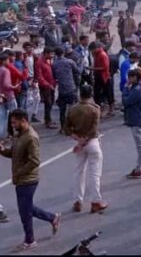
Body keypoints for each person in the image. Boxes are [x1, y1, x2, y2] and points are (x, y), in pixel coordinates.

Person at [0, 109, 61, 251]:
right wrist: (2, 150)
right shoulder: (19, 135)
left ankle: (30, 240)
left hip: (28, 180)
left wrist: (20, 173)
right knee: (27, 208)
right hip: (21, 179)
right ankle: (52, 218)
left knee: (24, 212)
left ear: (23, 120)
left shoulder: (31, 137)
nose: (13, 125)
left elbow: (34, 161)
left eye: (15, 122)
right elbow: (14, 154)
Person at [63, 85, 107, 214]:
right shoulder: (95, 109)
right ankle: (95, 201)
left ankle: (77, 201)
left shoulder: (72, 109)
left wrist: (78, 140)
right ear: (91, 95)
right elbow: (94, 129)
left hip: (79, 141)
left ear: (79, 94)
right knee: (95, 173)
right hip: (92, 142)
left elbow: (66, 128)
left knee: (79, 172)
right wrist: (85, 140)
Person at [51, 47, 80, 132]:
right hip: (71, 87)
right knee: (73, 108)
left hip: (62, 89)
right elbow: (78, 71)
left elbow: (54, 76)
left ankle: (63, 127)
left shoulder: (54, 64)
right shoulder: (69, 62)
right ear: (63, 53)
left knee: (62, 110)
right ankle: (73, 126)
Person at [35, 47, 57, 129]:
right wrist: (48, 85)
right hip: (46, 86)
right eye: (51, 54)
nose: (52, 55)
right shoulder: (39, 62)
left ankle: (48, 119)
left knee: (50, 103)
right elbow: (40, 77)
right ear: (46, 53)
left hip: (51, 85)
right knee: (48, 103)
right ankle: (48, 121)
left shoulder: (48, 60)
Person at [0, 53, 19, 138]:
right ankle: (15, 132)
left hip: (1, 96)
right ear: (4, 61)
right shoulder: (5, 70)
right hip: (9, 95)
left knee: (2, 117)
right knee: (15, 114)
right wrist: (14, 87)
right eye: (7, 60)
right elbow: (6, 84)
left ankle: (1, 136)